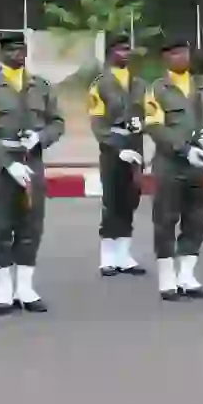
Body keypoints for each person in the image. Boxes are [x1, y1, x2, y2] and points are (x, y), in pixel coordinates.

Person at [0, 32, 65, 315]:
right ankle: (3, 291)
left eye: (21, 49)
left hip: (32, 161)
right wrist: (6, 163)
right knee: (1, 228)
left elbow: (57, 122)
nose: (17, 54)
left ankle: (25, 288)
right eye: (11, 50)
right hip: (1, 165)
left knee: (30, 226)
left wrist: (41, 138)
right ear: (1, 54)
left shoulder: (41, 86)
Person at [143, 39, 203, 301]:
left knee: (196, 218)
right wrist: (182, 148)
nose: (181, 58)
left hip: (200, 165)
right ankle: (167, 278)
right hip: (170, 164)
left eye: (185, 53)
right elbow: (155, 127)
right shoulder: (157, 90)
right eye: (175, 53)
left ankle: (187, 275)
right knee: (166, 220)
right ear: (165, 58)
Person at [87, 34, 147, 277]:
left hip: (136, 143)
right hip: (113, 148)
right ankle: (108, 256)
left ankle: (125, 254)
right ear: (110, 52)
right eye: (120, 49)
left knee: (131, 199)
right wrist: (117, 147)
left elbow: (150, 114)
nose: (125, 53)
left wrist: (142, 124)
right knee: (112, 200)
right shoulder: (100, 84)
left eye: (128, 49)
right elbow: (98, 124)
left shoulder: (140, 84)